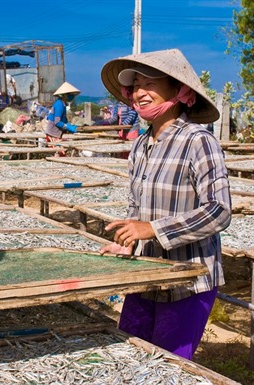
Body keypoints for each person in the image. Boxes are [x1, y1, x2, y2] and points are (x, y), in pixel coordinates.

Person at [99, 48, 232, 360]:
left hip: (188, 280)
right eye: (135, 86)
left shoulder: (198, 140)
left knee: (169, 367)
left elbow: (219, 209)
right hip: (145, 277)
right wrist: (127, 245)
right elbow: (136, 207)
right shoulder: (140, 146)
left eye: (150, 83)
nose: (140, 93)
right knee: (132, 358)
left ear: (180, 90)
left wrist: (153, 229)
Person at [44, 81, 80, 156]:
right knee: (59, 153)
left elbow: (64, 119)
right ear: (64, 95)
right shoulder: (59, 105)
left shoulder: (63, 105)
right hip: (53, 133)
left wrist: (69, 125)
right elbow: (57, 122)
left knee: (61, 153)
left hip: (57, 133)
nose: (71, 96)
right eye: (69, 94)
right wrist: (68, 127)